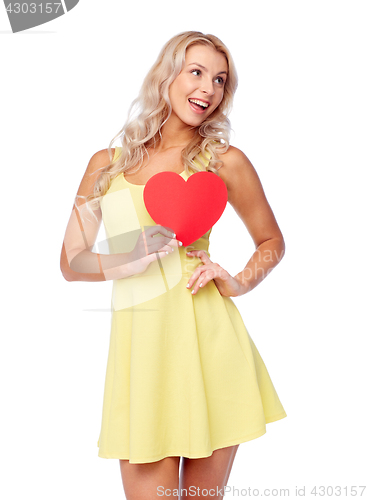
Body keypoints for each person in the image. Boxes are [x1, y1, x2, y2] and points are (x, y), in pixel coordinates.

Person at [60, 31, 287, 500]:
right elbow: (70, 261)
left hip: (212, 347)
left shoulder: (224, 162)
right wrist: (128, 255)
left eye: (220, 80)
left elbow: (272, 241)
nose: (208, 88)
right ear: (167, 76)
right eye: (196, 72)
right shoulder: (107, 165)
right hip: (142, 357)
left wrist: (238, 280)